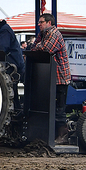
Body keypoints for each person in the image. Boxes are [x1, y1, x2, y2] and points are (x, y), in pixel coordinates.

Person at [31, 13, 71, 144]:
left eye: (41, 22)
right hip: (51, 77)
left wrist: (36, 47)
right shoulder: (43, 34)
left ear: (49, 23)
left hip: (60, 77)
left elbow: (46, 49)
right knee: (50, 107)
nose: (39, 24)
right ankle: (52, 134)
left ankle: (63, 135)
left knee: (59, 109)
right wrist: (37, 47)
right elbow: (35, 47)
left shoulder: (54, 34)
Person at [0, 13, 25, 109]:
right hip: (8, 65)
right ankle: (15, 112)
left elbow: (0, 48)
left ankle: (15, 111)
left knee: (11, 91)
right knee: (11, 91)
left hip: (13, 66)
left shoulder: (5, 30)